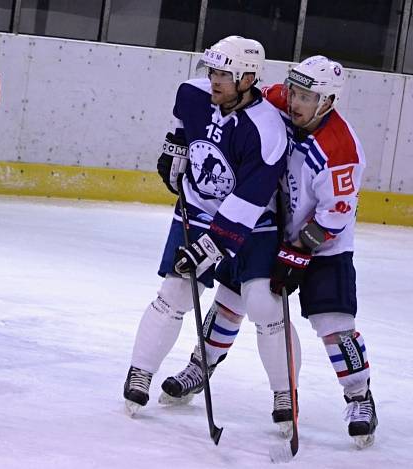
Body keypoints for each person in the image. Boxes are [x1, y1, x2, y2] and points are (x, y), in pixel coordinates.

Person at [160, 56, 377, 448]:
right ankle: (199, 367)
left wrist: (300, 251)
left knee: (333, 325)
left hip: (324, 247)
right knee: (230, 301)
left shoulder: (340, 149)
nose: (293, 100)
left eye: (305, 96)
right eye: (293, 90)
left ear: (327, 101)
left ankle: (359, 396)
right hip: (267, 230)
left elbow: (336, 215)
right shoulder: (278, 100)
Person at [124, 36, 300, 426]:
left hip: (254, 225)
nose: (215, 80)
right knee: (175, 292)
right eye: (213, 71)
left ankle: (285, 392)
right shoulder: (191, 94)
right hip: (198, 210)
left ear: (248, 77)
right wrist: (177, 146)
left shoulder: (267, 130)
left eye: (225, 73)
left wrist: (210, 248)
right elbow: (183, 126)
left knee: (262, 304)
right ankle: (140, 372)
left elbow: (250, 200)